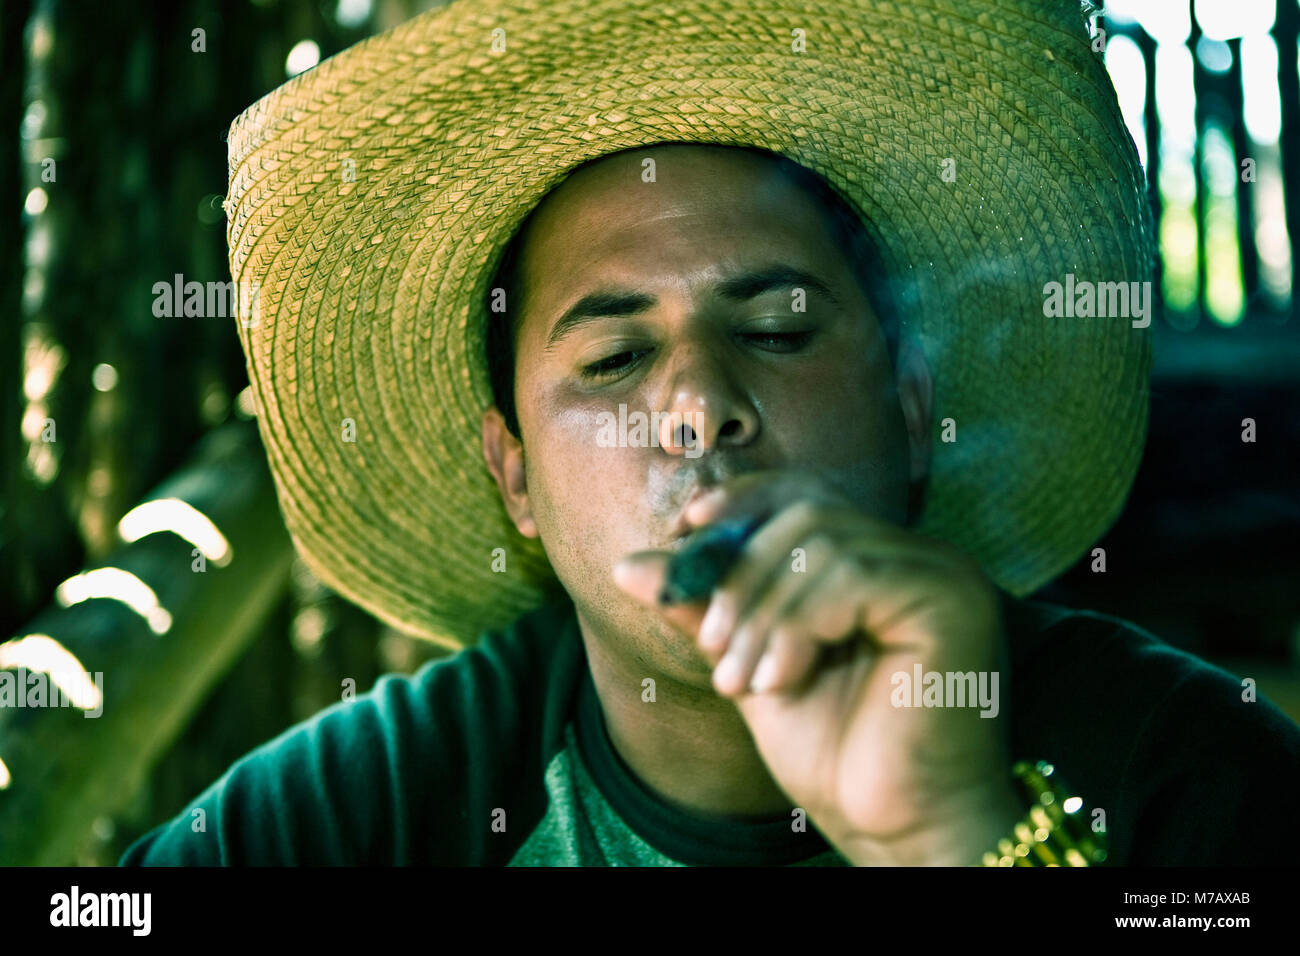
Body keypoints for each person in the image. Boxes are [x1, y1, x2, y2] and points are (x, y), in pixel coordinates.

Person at [121, 0, 1300, 866]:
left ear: (907, 409)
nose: (697, 404)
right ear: (515, 477)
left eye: (780, 329)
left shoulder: (1184, 782)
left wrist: (956, 838)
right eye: (613, 358)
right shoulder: (349, 818)